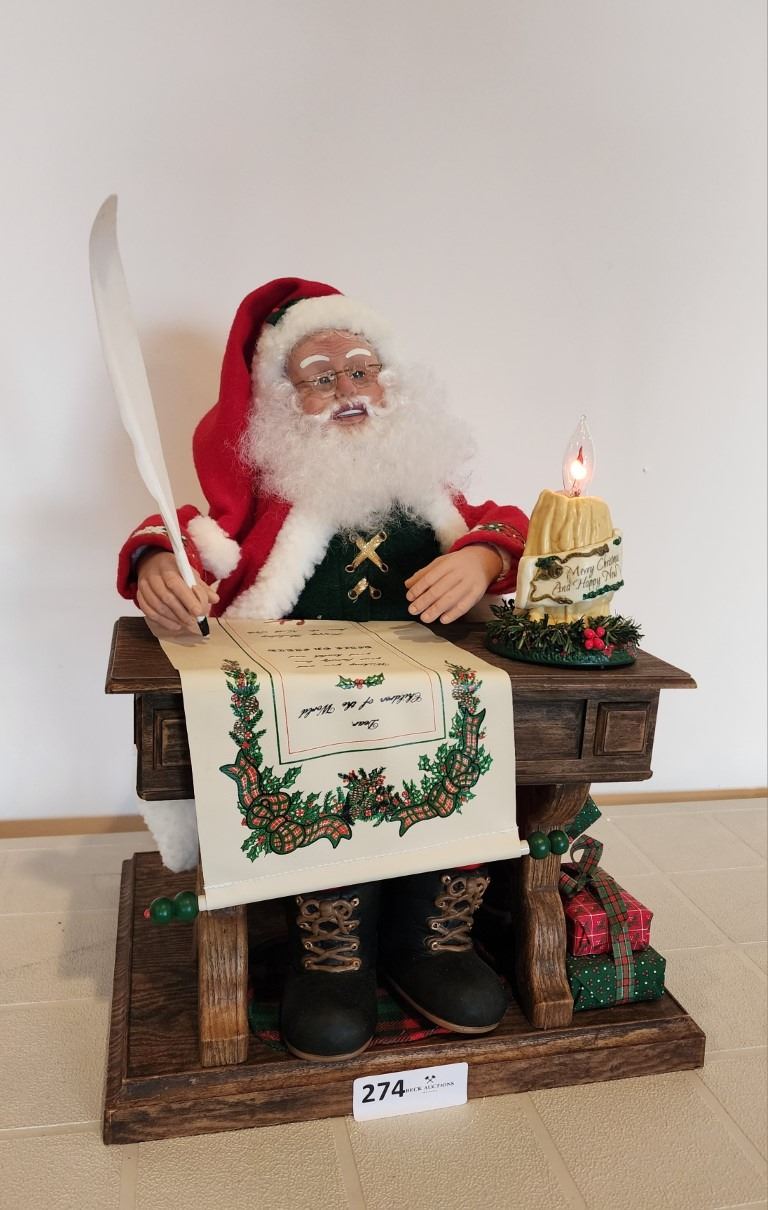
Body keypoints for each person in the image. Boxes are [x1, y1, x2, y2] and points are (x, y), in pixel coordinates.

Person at [118, 278, 528, 1061]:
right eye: (320, 378)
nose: (348, 390)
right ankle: (333, 942)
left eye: (361, 369)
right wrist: (156, 564)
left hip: (425, 696)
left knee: (462, 763)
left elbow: (503, 525)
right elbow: (182, 532)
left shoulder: (425, 491)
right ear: (282, 402)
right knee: (318, 788)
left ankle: (429, 935)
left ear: (390, 380)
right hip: (311, 705)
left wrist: (481, 557)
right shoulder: (276, 499)